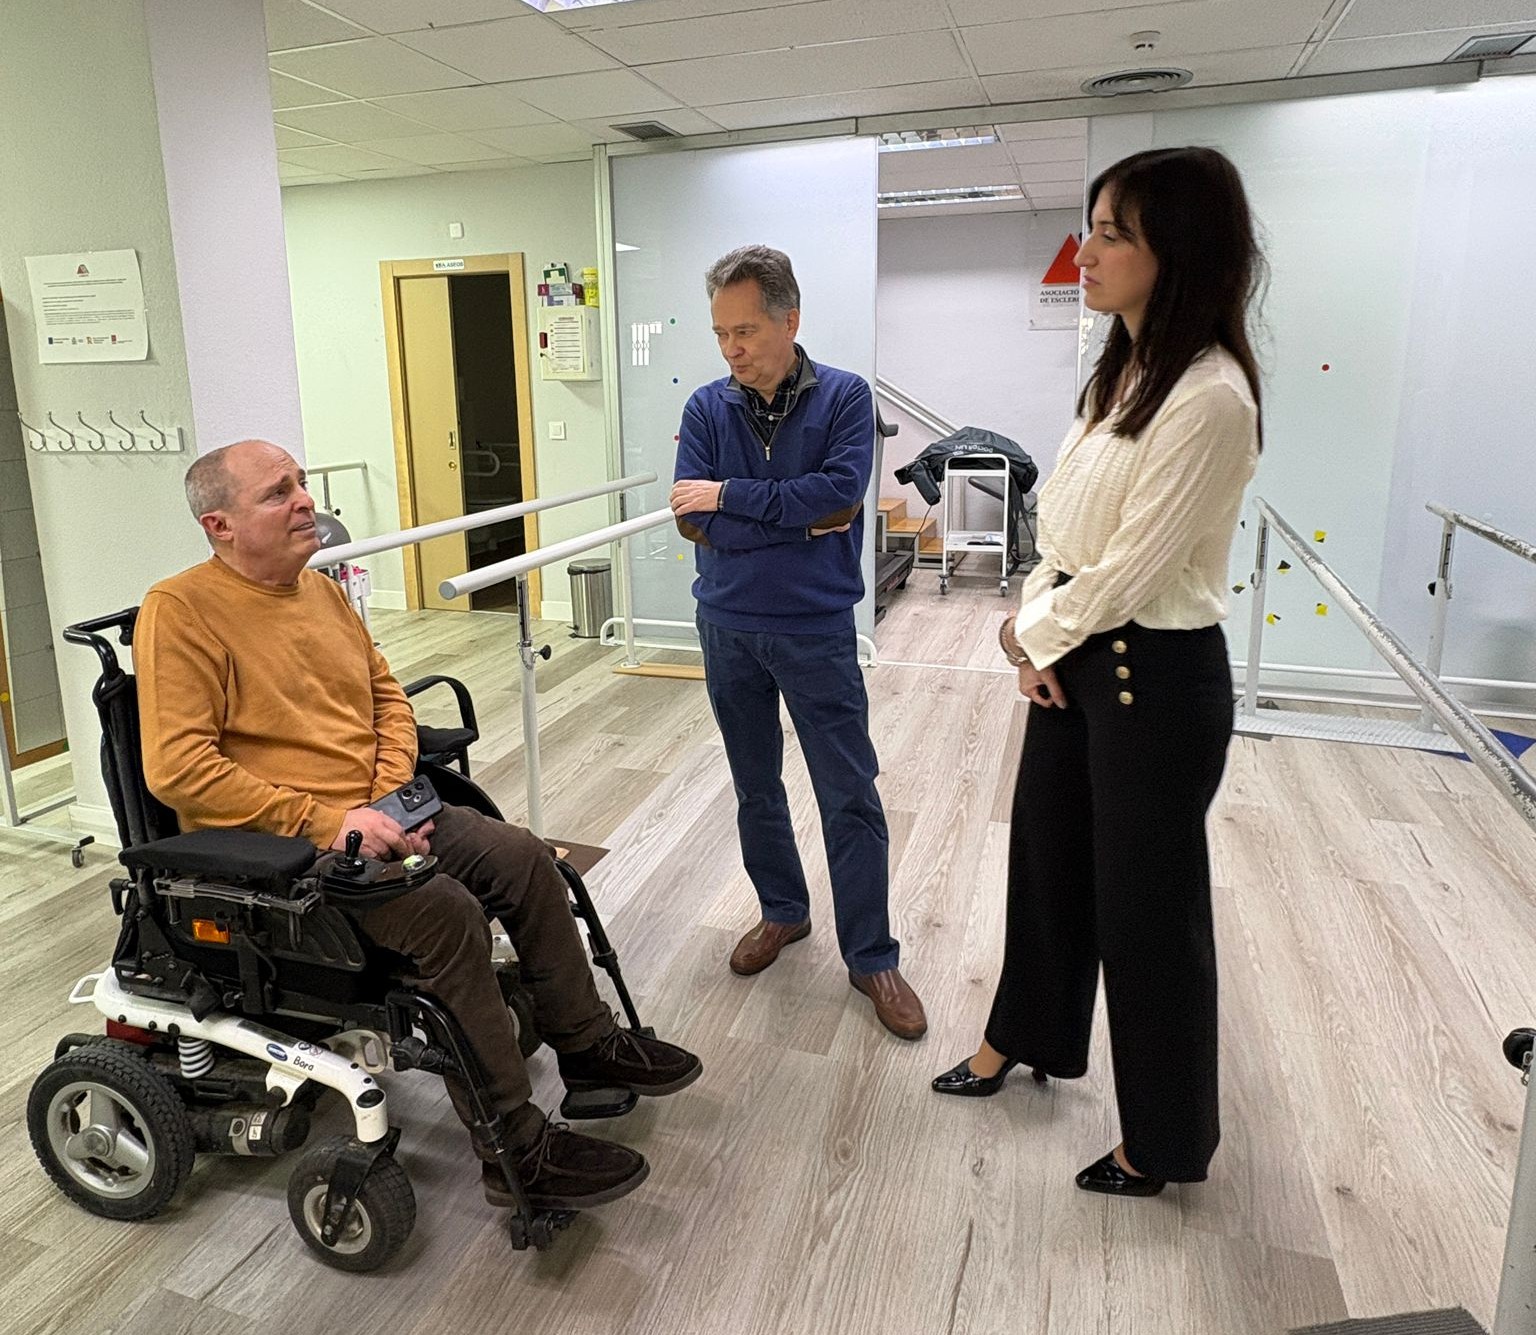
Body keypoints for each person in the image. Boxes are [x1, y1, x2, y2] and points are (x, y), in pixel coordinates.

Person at [135, 439, 702, 1213]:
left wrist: (384, 790)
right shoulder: (181, 610)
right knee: (446, 915)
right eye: (278, 492)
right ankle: (517, 1151)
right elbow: (178, 768)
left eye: (301, 482)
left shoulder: (320, 591)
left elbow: (387, 697)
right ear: (220, 524)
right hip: (291, 851)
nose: (305, 500)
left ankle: (588, 1046)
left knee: (524, 857)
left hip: (379, 811)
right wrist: (334, 820)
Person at [930, 147, 1264, 1197]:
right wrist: (1039, 630)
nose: (1087, 253)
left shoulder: (1210, 397)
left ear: (1181, 251)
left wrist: (1029, 635)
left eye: (1114, 233)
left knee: (1149, 917)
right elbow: (1067, 530)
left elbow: (1131, 570)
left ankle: (1163, 1142)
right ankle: (1023, 1036)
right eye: (1095, 228)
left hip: (1155, 679)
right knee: (1048, 865)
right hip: (1079, 654)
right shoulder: (1117, 369)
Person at [670, 244, 926, 1040]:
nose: (731, 349)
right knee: (756, 785)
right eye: (721, 333)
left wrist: (729, 498)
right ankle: (783, 909)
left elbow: (839, 498)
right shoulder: (706, 409)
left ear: (790, 320)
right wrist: (790, 520)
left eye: (745, 330)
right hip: (728, 629)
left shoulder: (845, 398)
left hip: (815, 630)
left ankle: (871, 955)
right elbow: (692, 521)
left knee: (849, 793)